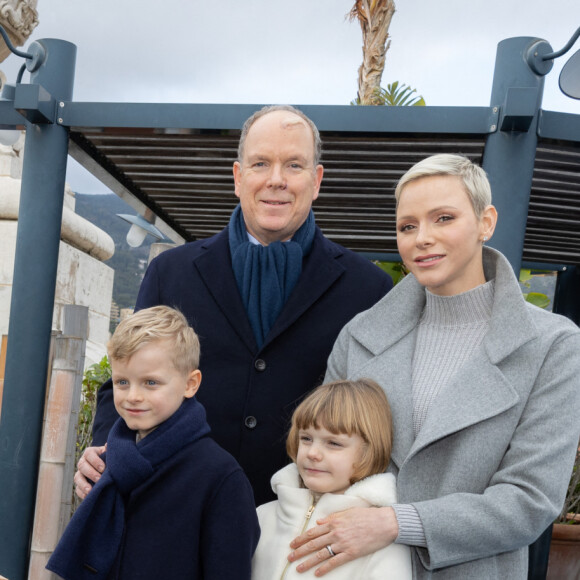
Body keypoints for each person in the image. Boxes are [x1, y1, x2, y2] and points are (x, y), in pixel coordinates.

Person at [76, 105, 393, 506]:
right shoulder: (170, 272)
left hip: (301, 532)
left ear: (316, 181)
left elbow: (378, 418)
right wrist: (103, 448)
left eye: (294, 165)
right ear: (239, 177)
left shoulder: (369, 289)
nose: (276, 180)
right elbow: (123, 379)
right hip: (173, 510)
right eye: (261, 163)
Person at [287, 154, 580, 579]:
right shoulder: (360, 335)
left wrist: (396, 523)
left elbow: (529, 499)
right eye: (408, 226)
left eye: (443, 218)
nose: (422, 238)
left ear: (486, 222)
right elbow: (322, 457)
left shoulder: (553, 345)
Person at [48, 306, 259, 580]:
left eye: (150, 382)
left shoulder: (221, 478)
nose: (133, 396)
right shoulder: (109, 460)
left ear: (190, 384)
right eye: (122, 382)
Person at [252, 378, 412, 579]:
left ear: (369, 451)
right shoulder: (262, 516)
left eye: (334, 443)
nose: (313, 453)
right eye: (306, 439)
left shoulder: (380, 542)